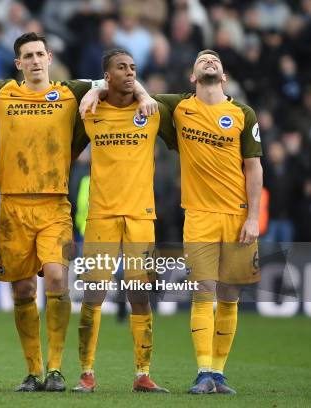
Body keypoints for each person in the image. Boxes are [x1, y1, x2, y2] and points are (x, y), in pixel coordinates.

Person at [0, 33, 158, 392]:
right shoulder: (4, 91)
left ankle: (57, 369)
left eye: (38, 54)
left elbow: (117, 79)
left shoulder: (69, 91)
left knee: (58, 279)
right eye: (26, 56)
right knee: (23, 289)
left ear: (49, 57)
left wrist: (139, 93)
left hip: (54, 204)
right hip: (13, 204)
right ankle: (33, 371)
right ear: (19, 63)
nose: (33, 61)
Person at [154, 50, 263, 394]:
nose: (210, 61)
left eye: (215, 59)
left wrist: (254, 217)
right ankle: (203, 371)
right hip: (198, 216)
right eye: (202, 59)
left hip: (236, 215)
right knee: (204, 290)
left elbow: (254, 168)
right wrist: (96, 89)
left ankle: (218, 373)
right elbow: (138, 94)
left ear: (225, 77)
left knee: (230, 295)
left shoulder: (243, 114)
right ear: (192, 76)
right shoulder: (181, 107)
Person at [72, 49, 175, 393]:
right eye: (122, 68)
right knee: (93, 295)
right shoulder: (91, 110)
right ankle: (86, 374)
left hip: (141, 216)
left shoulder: (151, 111)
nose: (130, 73)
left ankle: (142, 374)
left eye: (133, 67)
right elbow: (71, 88)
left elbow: (153, 94)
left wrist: (144, 93)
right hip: (101, 215)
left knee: (140, 295)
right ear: (107, 75)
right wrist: (95, 89)